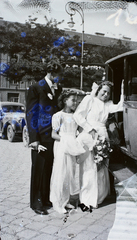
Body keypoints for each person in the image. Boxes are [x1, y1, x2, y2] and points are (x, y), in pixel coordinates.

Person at [73, 80, 124, 211]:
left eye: (108, 92)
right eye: (104, 91)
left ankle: (99, 196)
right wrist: (89, 129)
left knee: (101, 166)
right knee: (89, 167)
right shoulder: (89, 100)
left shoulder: (108, 105)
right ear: (98, 90)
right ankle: (87, 198)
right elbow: (78, 116)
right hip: (90, 135)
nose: (106, 94)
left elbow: (120, 107)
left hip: (102, 135)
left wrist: (123, 91)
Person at [26, 56, 63, 215]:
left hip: (52, 136)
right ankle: (36, 202)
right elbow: (31, 114)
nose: (59, 77)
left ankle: (46, 198)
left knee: (48, 168)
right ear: (50, 72)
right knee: (38, 169)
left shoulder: (58, 88)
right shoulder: (36, 87)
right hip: (40, 136)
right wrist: (34, 139)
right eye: (57, 74)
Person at [50, 90, 86, 214]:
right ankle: (57, 202)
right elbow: (54, 134)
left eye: (76, 100)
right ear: (65, 101)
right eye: (73, 100)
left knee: (70, 174)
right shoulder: (58, 116)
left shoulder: (76, 116)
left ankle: (66, 201)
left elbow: (80, 130)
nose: (75, 102)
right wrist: (66, 140)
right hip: (62, 146)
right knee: (61, 173)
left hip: (72, 147)